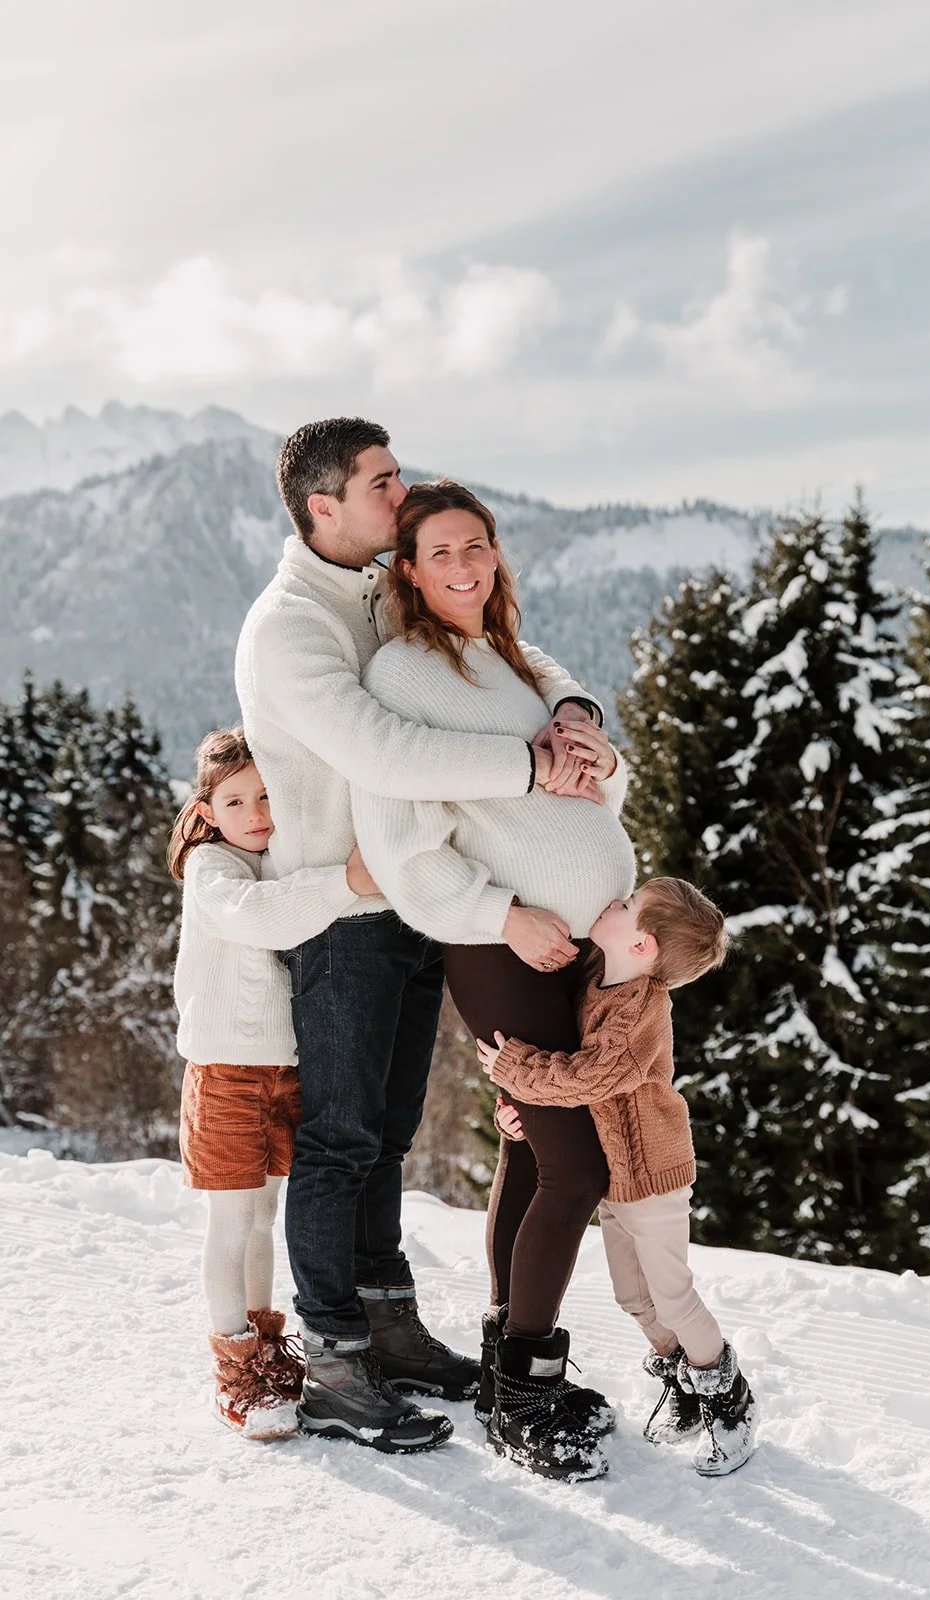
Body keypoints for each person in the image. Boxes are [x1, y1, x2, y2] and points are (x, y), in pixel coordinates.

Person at [235, 418, 605, 1454]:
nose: (400, 496)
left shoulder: (371, 587)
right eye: (383, 482)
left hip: (413, 902)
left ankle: (387, 1325)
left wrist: (570, 706)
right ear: (324, 507)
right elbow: (381, 748)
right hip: (343, 911)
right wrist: (530, 768)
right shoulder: (289, 627)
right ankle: (333, 1357)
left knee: (387, 1132)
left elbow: (491, 638)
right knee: (339, 1137)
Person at [353, 479, 636, 1483]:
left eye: (475, 544)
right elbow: (404, 845)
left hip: (575, 950)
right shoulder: (402, 675)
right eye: (439, 551)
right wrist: (501, 915)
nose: (463, 564)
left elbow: (576, 788)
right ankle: (524, 1389)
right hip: (504, 949)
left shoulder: (511, 658)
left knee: (530, 1154)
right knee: (577, 1169)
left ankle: (503, 1352)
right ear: (408, 570)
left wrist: (595, 748)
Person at [476, 877, 759, 1477]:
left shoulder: (640, 1011)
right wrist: (517, 1108)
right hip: (617, 1177)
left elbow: (588, 1077)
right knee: (633, 1296)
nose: (614, 901)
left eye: (629, 906)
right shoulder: (600, 979)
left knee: (673, 1296)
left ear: (642, 946)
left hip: (654, 1177)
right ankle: (683, 1378)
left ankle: (729, 1399)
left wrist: (514, 1069)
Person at [170, 727, 375, 1440]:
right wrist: (347, 880)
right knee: (231, 1223)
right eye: (235, 801)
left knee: (262, 1218)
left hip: (283, 1071)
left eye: (267, 796)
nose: (256, 813)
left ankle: (263, 1347)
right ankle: (234, 1370)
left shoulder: (273, 859)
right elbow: (257, 917)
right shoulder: (213, 867)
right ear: (206, 812)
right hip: (227, 1071)